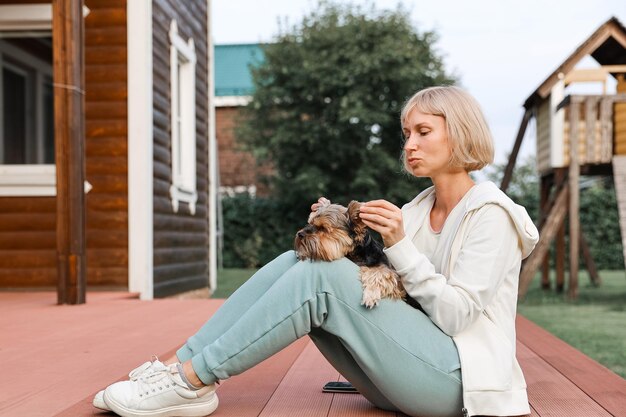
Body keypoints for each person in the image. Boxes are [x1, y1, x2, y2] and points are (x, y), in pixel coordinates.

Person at [94, 85, 538, 417]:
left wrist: (400, 244)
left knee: (319, 276)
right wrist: (333, 227)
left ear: (460, 135)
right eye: (406, 133)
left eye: (424, 132)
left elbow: (455, 316)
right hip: (398, 379)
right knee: (303, 259)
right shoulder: (418, 209)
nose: (409, 145)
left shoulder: (492, 215)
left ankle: (194, 380)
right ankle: (178, 367)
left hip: (460, 387)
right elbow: (383, 282)